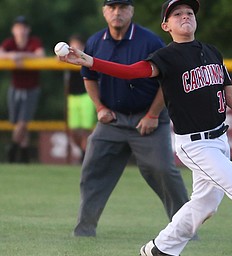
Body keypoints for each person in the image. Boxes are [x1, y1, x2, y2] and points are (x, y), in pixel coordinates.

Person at [59, 0, 232, 255]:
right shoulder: (165, 57)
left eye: (189, 12)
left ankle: (159, 249)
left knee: (204, 205)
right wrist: (91, 61)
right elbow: (131, 72)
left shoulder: (211, 51)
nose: (185, 16)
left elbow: (231, 95)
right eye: (177, 14)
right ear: (166, 25)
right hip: (196, 145)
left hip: (220, 140)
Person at [70, 0, 190, 237]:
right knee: (92, 170)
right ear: (104, 12)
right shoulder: (95, 42)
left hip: (148, 118)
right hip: (112, 121)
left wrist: (153, 114)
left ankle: (186, 229)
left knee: (164, 172)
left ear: (131, 11)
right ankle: (84, 231)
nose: (117, 12)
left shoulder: (150, 41)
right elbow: (89, 77)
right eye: (112, 7)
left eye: (123, 7)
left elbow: (167, 82)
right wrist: (99, 107)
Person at [0, 16, 45, 163]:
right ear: (13, 30)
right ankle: (24, 152)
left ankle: (12, 149)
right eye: (18, 27)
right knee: (16, 122)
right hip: (15, 87)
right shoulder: (10, 43)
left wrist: (20, 55)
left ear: (28, 29)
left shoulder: (33, 41)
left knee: (23, 122)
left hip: (31, 87)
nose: (21, 30)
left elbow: (40, 55)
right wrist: (12, 55)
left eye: (23, 27)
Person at [65, 34, 96, 162]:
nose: (74, 48)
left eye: (77, 45)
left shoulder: (86, 58)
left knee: (86, 129)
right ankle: (83, 151)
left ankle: (85, 156)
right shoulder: (66, 59)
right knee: (73, 130)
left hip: (86, 95)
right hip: (73, 97)